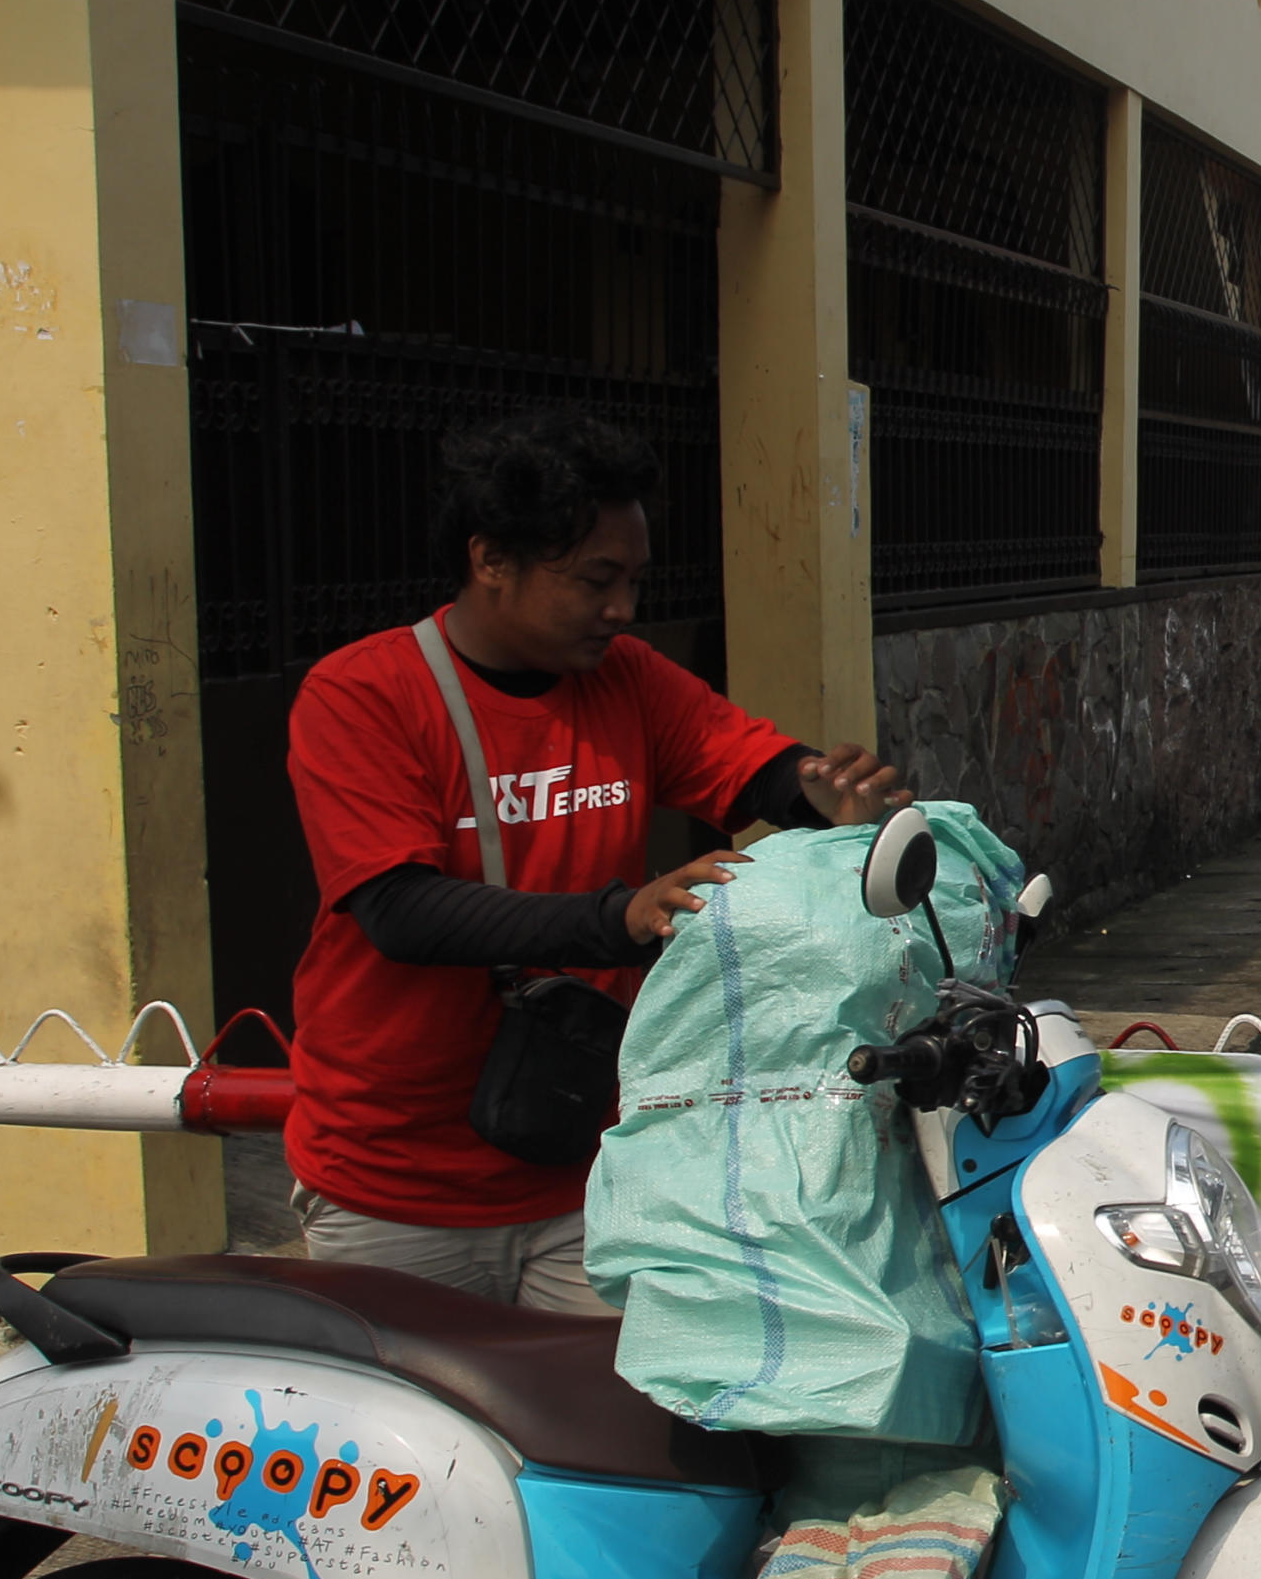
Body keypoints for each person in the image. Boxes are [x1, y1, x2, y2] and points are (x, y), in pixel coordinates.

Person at [282, 407, 912, 1313]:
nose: (623, 608)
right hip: (392, 1188)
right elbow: (400, 910)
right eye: (595, 580)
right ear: (489, 559)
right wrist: (619, 917)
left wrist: (821, 788)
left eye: (634, 580)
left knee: (611, 1437)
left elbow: (749, 771)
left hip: (587, 1166)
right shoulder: (362, 694)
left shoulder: (629, 677)